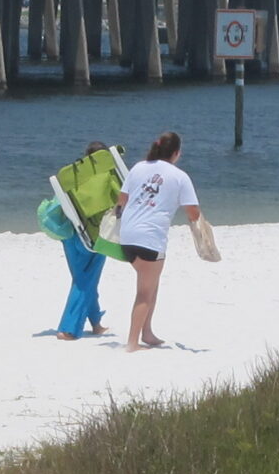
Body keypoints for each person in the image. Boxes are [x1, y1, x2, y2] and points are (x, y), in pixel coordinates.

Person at [114, 131, 201, 351]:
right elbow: (193, 212)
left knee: (151, 286)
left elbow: (121, 201)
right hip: (150, 239)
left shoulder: (138, 168)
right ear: (176, 153)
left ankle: (147, 332)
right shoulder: (180, 176)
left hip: (127, 236)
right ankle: (132, 342)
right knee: (145, 292)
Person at [41, 141, 117, 339]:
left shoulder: (73, 176)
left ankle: (96, 323)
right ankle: (68, 329)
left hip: (70, 235)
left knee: (84, 279)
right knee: (85, 281)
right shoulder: (107, 176)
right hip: (95, 237)